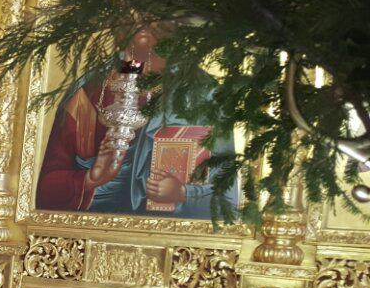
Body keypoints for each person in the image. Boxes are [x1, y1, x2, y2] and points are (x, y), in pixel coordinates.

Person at [35, 27, 238, 218]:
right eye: (133, 10)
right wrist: (90, 179)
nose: (142, 19)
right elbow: (43, 194)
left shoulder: (204, 92)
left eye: (154, 11)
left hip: (168, 233)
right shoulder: (91, 91)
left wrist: (183, 193)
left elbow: (230, 199)